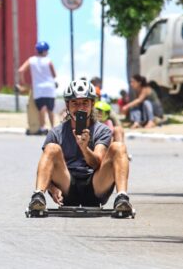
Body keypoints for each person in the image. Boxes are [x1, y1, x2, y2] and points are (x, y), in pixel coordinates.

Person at [27, 79, 133, 215]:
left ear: (92, 104)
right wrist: (53, 189)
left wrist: (84, 148)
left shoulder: (102, 130)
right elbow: (45, 169)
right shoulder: (56, 132)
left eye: (85, 103)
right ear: (67, 105)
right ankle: (38, 196)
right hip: (67, 186)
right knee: (52, 148)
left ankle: (122, 198)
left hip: (96, 187)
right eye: (75, 103)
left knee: (119, 147)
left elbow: (96, 163)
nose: (80, 108)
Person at [18, 41, 57, 135]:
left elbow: (20, 70)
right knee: (50, 109)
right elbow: (54, 75)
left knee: (41, 108)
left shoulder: (31, 60)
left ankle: (42, 127)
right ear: (44, 51)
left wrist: (24, 83)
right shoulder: (48, 60)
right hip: (49, 88)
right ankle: (53, 128)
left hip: (38, 88)